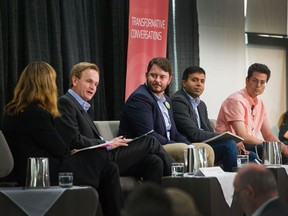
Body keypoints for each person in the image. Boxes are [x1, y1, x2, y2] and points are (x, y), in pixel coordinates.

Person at [2, 61, 123, 216]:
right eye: (52, 81)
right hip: (40, 173)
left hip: (36, 169)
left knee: (107, 167)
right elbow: (61, 149)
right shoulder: (36, 113)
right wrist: (70, 150)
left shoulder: (12, 111)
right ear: (44, 85)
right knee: (106, 165)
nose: (54, 86)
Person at [54, 62, 174, 184]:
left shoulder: (81, 106)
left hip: (102, 155)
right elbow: (74, 140)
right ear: (74, 80)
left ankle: (151, 202)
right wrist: (107, 143)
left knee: (154, 162)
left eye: (96, 84)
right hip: (93, 159)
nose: (93, 87)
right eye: (89, 81)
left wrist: (111, 142)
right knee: (150, 141)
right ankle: (179, 178)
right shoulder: (65, 103)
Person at [119, 57, 215, 166]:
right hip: (143, 148)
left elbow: (174, 133)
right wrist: (179, 145)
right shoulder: (140, 98)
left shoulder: (166, 100)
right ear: (146, 75)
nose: (157, 80)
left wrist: (189, 144)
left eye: (162, 77)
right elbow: (149, 135)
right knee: (184, 150)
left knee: (206, 150)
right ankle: (186, 182)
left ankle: (202, 182)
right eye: (153, 75)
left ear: (169, 80)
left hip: (165, 144)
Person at [171, 66, 257, 171]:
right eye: (194, 80)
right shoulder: (178, 101)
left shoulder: (201, 104)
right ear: (184, 83)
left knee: (251, 155)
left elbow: (208, 130)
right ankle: (232, 183)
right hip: (191, 145)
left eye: (202, 81)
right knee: (229, 144)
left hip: (204, 145)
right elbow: (194, 133)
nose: (199, 84)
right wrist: (230, 138)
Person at [215, 63, 288, 160]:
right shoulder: (236, 100)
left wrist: (283, 147)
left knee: (282, 151)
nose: (258, 85)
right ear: (247, 80)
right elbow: (243, 136)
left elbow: (268, 135)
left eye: (262, 82)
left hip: (249, 145)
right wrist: (273, 146)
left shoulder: (260, 104)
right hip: (231, 145)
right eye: (254, 81)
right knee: (265, 152)